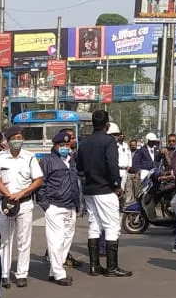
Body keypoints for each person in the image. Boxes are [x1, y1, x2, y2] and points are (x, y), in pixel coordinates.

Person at [75, 108, 131, 277]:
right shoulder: (109, 141)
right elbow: (112, 165)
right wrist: (117, 185)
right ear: (107, 125)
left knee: (94, 225)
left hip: (89, 189)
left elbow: (79, 166)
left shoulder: (84, 142)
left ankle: (94, 266)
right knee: (112, 226)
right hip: (105, 189)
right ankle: (112, 267)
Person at [0, 125, 43, 288]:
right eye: (14, 138)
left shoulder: (29, 157)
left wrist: (21, 194)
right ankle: (4, 274)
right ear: (8, 140)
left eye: (19, 138)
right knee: (5, 240)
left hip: (24, 203)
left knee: (23, 241)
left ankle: (21, 274)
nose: (17, 141)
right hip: (6, 203)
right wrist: (8, 195)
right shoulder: (0, 158)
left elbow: (38, 180)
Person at [39, 129, 80, 286]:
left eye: (67, 145)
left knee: (66, 239)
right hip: (55, 206)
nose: (65, 147)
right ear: (55, 145)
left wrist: (77, 204)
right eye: (62, 145)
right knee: (56, 240)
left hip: (71, 206)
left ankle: (54, 270)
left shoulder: (71, 160)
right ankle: (59, 274)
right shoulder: (47, 161)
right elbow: (41, 184)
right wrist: (46, 205)